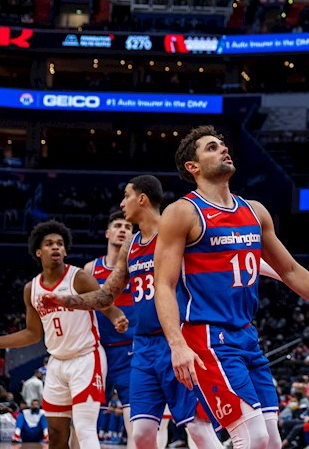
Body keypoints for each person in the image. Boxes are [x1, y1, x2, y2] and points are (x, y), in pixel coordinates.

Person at [153, 125, 309, 449]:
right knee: (252, 438)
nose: (223, 150)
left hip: (247, 336)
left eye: (222, 145)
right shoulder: (182, 212)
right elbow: (163, 285)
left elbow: (290, 270)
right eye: (211, 148)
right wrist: (177, 345)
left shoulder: (255, 211)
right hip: (209, 337)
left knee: (272, 441)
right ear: (192, 167)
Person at [36, 176, 221, 449]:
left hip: (177, 340)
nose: (122, 203)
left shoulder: (179, 233)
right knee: (142, 433)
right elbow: (105, 295)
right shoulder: (130, 246)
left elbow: (228, 256)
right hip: (143, 346)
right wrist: (64, 299)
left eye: (126, 196)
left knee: (197, 429)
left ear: (142, 199)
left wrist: (281, 274)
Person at [0, 220, 128, 449]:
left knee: (84, 428)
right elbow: (32, 334)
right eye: (49, 244)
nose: (56, 247)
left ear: (66, 250)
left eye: (60, 244)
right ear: (38, 252)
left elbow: (107, 304)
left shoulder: (78, 278)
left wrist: (117, 317)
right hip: (57, 364)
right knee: (56, 436)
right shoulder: (31, 289)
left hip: (86, 358)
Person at [86, 211, 136, 445]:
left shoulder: (139, 266)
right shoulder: (90, 269)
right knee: (88, 413)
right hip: (99, 350)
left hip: (131, 349)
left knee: (133, 415)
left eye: (128, 226)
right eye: (117, 225)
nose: (123, 229)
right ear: (108, 233)